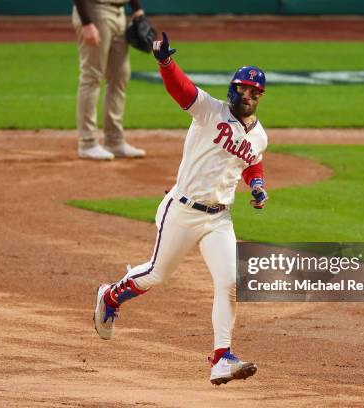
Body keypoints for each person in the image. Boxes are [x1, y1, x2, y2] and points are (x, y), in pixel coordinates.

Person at [92, 32, 269, 385]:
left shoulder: (260, 134)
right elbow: (181, 90)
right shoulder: (209, 110)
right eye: (241, 88)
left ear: (260, 96)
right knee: (157, 274)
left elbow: (250, 163)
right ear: (232, 88)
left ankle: (222, 358)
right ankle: (110, 295)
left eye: (254, 91)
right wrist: (165, 62)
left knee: (231, 283)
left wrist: (258, 184)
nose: (246, 95)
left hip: (219, 218)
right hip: (183, 211)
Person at [72, 0, 146, 160]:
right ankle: (88, 142)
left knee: (120, 76)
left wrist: (137, 10)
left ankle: (114, 140)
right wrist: (86, 22)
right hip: (95, 11)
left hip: (120, 12)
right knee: (91, 77)